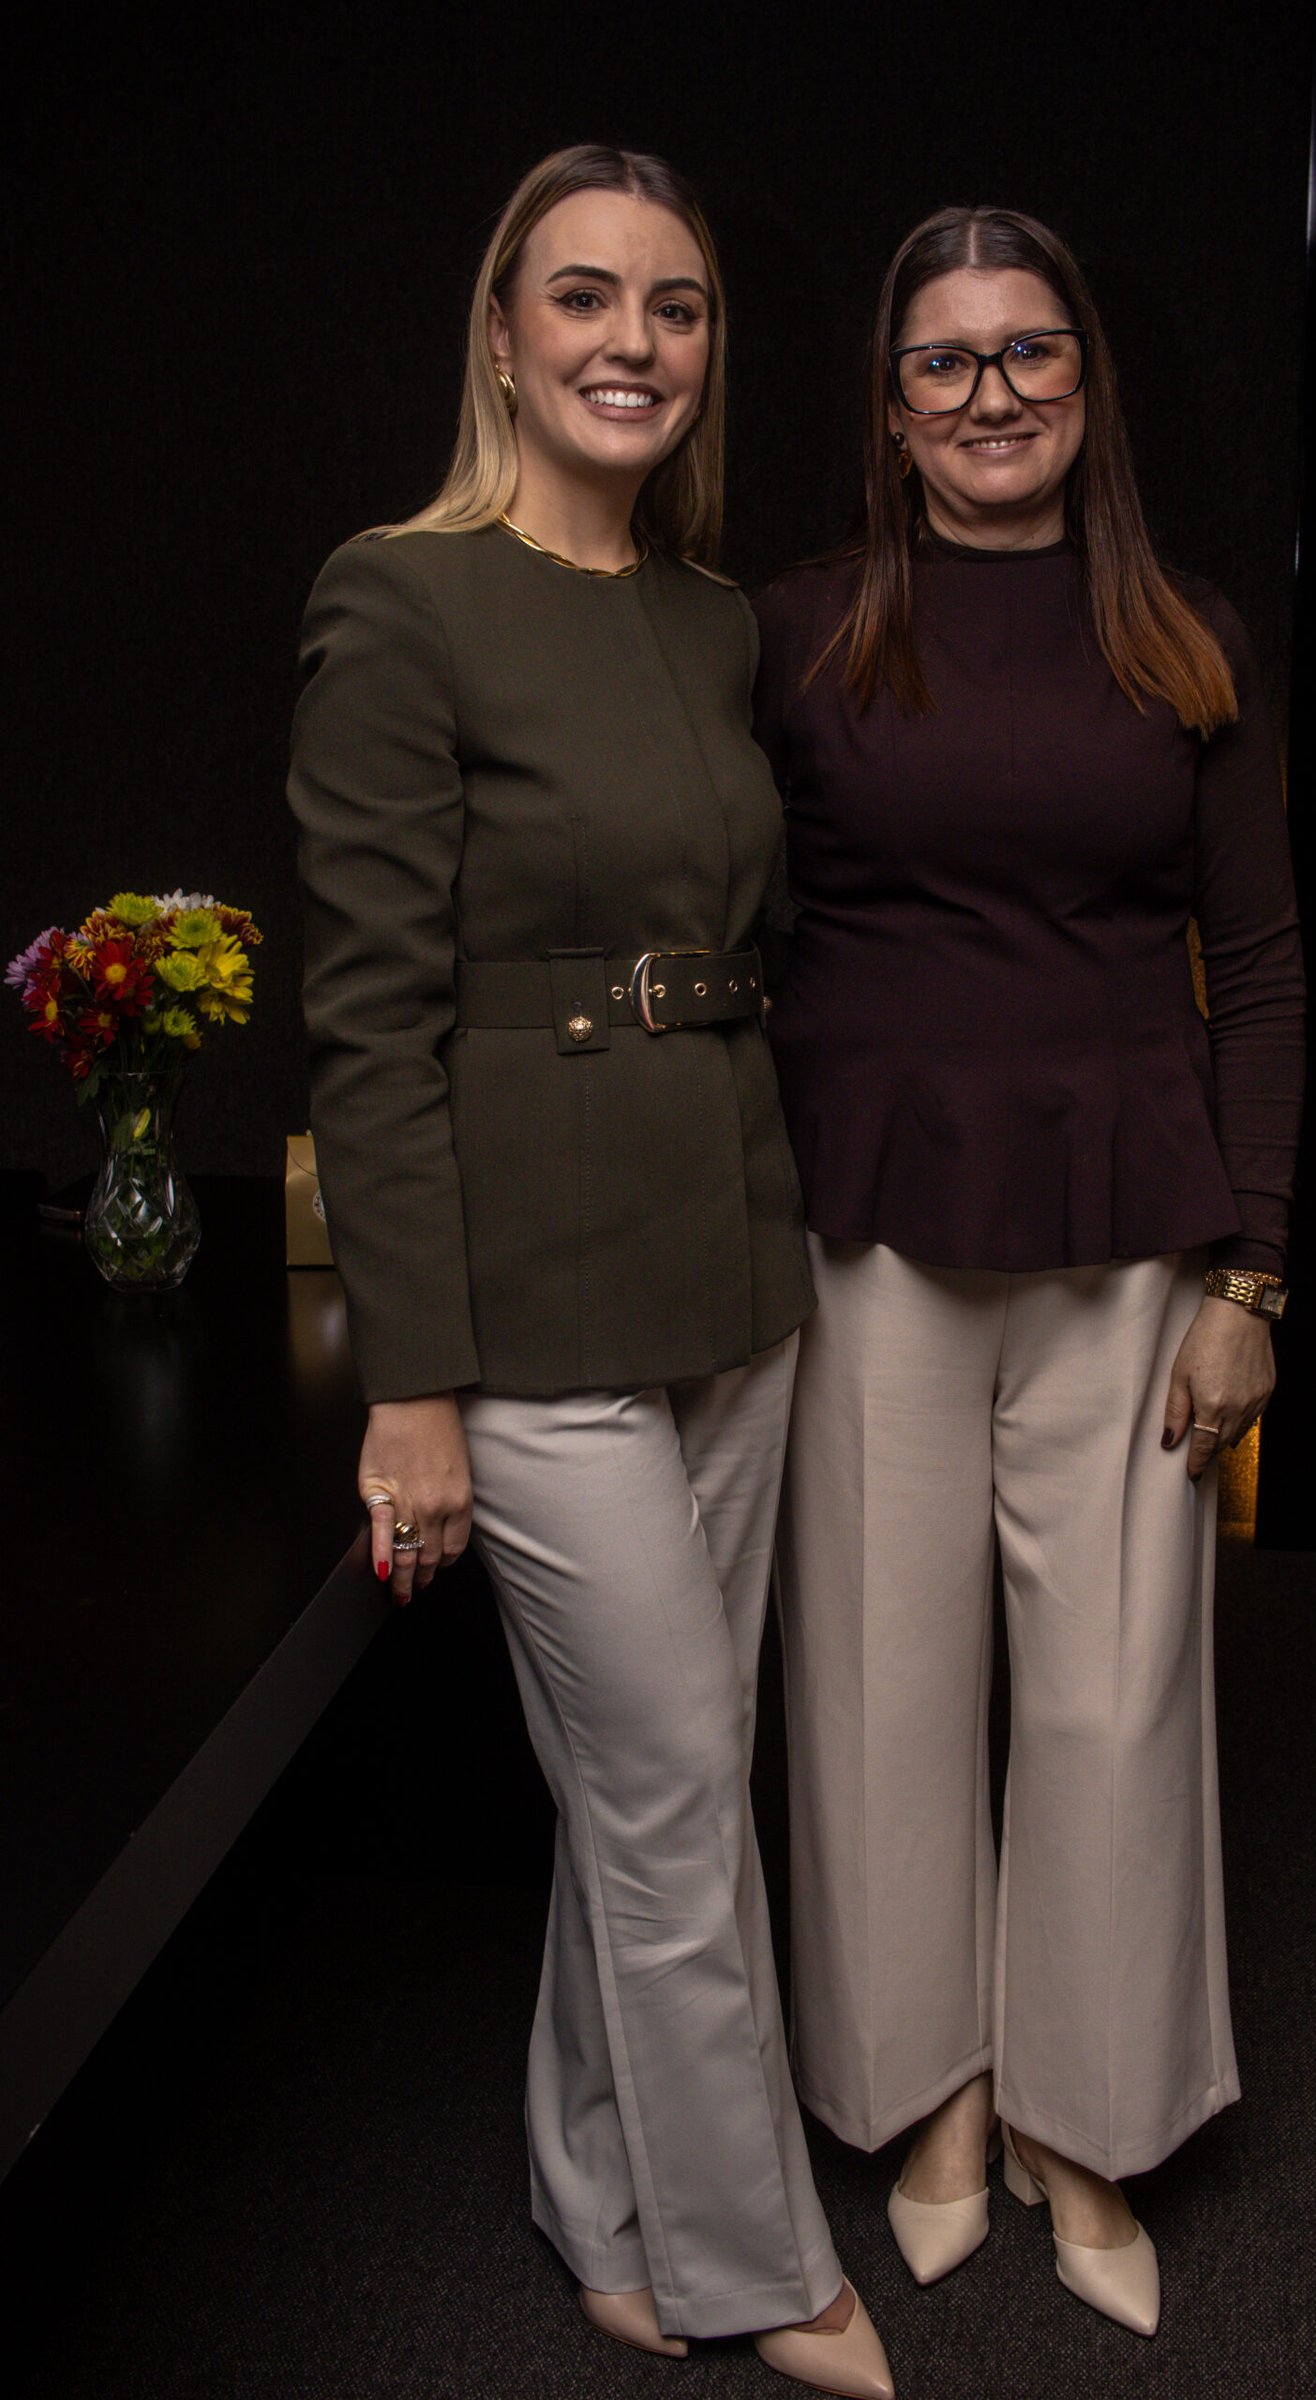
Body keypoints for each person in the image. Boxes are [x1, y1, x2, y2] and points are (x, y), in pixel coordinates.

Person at [288, 144, 892, 2398]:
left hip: (729, 1257)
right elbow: (369, 1022)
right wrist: (409, 1383)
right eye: (584, 298)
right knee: (668, 1799)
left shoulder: (717, 620)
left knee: (660, 1783)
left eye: (676, 305)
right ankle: (757, 2265)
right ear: (503, 334)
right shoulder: (399, 598)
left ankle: (592, 2194)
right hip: (528, 1299)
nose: (633, 343)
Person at [753, 205, 1305, 2338]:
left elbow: (1261, 967)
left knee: (1109, 1692)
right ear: (890, 407)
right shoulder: (801, 630)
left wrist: (1252, 1280)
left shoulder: (1183, 635)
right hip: (865, 1222)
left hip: (1132, 1233)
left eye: (1029, 351)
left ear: (1087, 379)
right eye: (944, 359)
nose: (991, 393)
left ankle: (1089, 2116)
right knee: (879, 1682)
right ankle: (934, 2099)